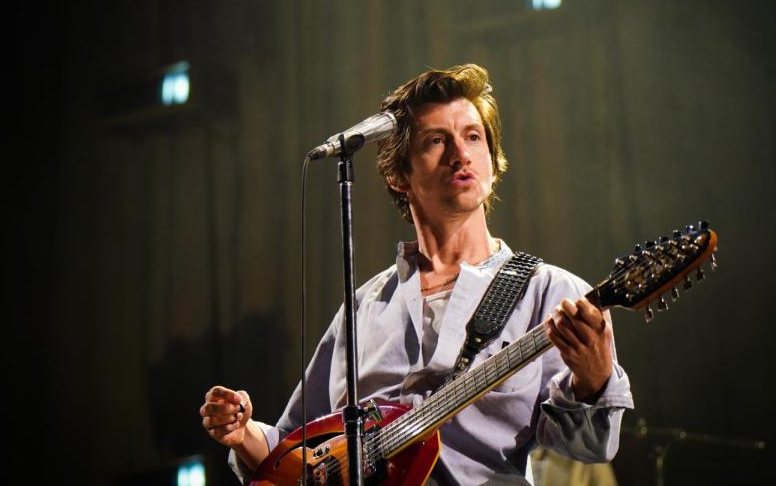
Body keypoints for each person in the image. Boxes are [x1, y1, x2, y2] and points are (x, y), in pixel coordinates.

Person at [199, 64, 634, 485]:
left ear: (493, 157)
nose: (460, 154)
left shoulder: (552, 294)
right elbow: (293, 453)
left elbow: (589, 448)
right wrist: (244, 434)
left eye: (472, 137)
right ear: (397, 174)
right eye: (435, 141)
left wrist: (593, 380)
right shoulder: (365, 307)